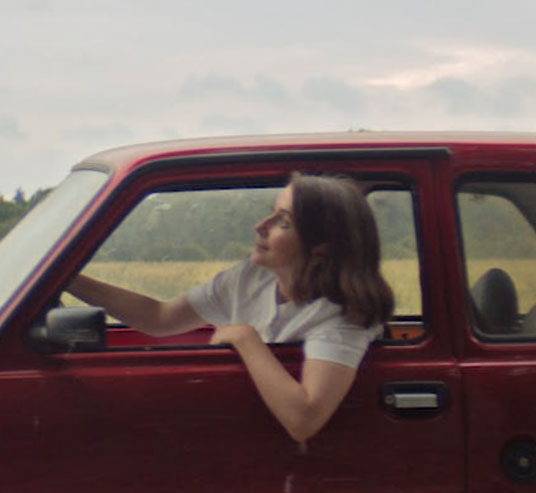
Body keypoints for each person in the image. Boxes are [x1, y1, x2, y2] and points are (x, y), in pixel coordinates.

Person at [67, 172, 394, 444]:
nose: (260, 226)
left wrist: (245, 338)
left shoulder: (343, 315)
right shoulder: (252, 278)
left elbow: (304, 419)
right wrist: (67, 278)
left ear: (320, 250)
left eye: (283, 222)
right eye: (271, 212)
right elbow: (159, 318)